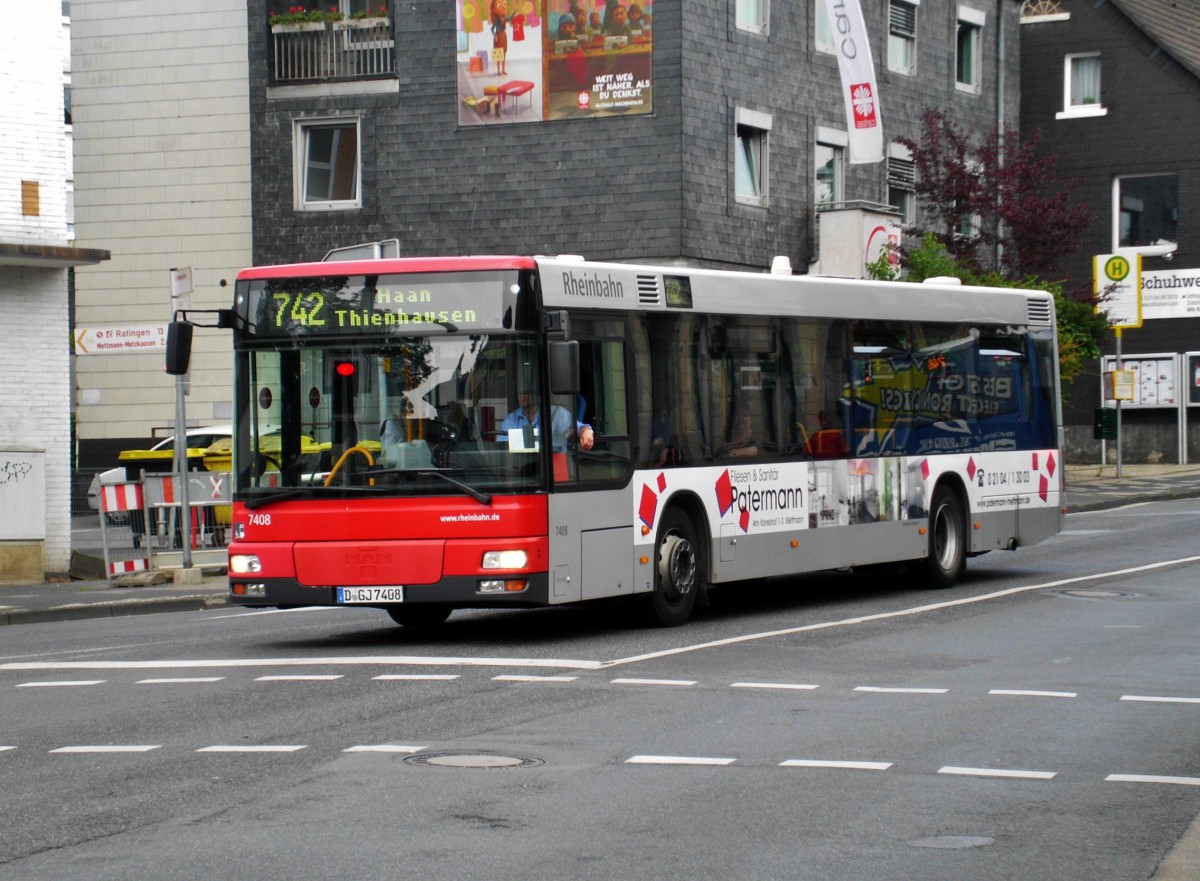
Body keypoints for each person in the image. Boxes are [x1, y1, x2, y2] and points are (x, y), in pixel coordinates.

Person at [501, 387, 594, 452]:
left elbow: (580, 428)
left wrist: (586, 431)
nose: (523, 395)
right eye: (520, 392)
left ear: (536, 393)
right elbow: (503, 445)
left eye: (527, 392)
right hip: (523, 468)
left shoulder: (558, 413)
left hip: (554, 465)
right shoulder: (510, 419)